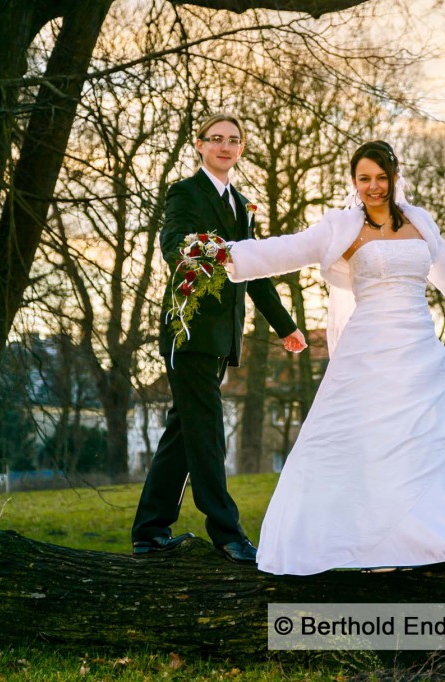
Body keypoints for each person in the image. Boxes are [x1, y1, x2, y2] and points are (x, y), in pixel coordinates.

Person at [224, 140, 445, 575]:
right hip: (368, 348)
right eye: (365, 179)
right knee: (367, 441)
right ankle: (366, 542)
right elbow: (286, 248)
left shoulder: (421, 222)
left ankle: (432, 534)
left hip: (418, 345)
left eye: (381, 177)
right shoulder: (340, 227)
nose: (374, 187)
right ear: (354, 181)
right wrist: (226, 255)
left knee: (428, 436)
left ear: (395, 177)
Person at [131, 113, 308, 564]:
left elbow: (257, 274)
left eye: (233, 140)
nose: (225, 146)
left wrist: (286, 326)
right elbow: (173, 240)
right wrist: (191, 252)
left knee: (183, 433)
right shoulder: (184, 192)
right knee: (208, 432)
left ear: (241, 148)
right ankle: (226, 534)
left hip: (221, 338)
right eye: (216, 139)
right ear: (200, 144)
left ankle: (150, 531)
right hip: (187, 334)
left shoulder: (243, 205)